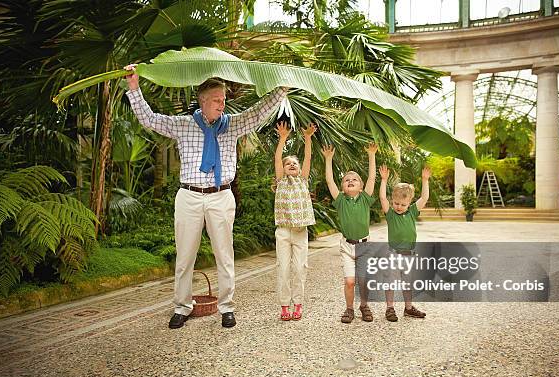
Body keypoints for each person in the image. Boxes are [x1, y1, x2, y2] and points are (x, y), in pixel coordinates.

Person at [123, 65, 287, 329]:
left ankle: (227, 308)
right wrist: (134, 89)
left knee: (225, 255)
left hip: (221, 196)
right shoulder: (184, 125)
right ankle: (181, 307)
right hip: (189, 196)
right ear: (202, 101)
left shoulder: (231, 126)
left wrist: (281, 90)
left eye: (223, 100)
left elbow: (257, 114)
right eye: (216, 100)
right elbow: (150, 120)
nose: (222, 105)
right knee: (185, 257)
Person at [322, 143, 378, 323]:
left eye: (354, 179)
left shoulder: (365, 199)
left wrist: (371, 155)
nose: (351, 180)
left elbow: (372, 178)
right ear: (343, 187)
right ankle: (349, 309)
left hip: (364, 246)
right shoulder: (340, 200)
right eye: (347, 180)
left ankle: (364, 305)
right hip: (347, 246)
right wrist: (328, 159)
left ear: (361, 187)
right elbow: (330, 181)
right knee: (349, 282)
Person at [273, 121, 317, 321]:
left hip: (300, 231)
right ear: (283, 169)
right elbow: (277, 159)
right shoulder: (281, 181)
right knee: (283, 268)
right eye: (288, 163)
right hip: (283, 231)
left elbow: (308, 158)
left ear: (299, 169)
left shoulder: (303, 181)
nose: (291, 164)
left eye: (294, 163)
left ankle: (298, 303)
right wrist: (282, 139)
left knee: (300, 268)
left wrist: (307, 138)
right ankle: (284, 305)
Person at [378, 164, 431, 321]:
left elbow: (425, 198)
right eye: (396, 203)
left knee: (408, 283)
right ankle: (390, 308)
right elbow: (382, 197)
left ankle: (408, 308)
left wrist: (425, 180)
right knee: (390, 281)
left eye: (403, 204)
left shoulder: (412, 212)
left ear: (409, 203)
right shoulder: (390, 214)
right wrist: (384, 180)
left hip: (409, 254)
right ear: (392, 201)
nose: (399, 207)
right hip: (393, 254)